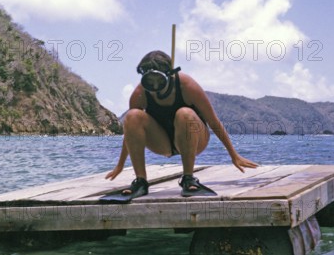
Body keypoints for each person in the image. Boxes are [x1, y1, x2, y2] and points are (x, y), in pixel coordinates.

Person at [105, 50, 258, 200]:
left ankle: (188, 178)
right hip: (162, 143)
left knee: (185, 113)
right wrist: (120, 165)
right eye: (149, 82)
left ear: (170, 74)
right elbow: (131, 134)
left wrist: (234, 155)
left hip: (195, 139)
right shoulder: (140, 93)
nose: (155, 86)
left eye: (159, 81)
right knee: (132, 116)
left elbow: (213, 121)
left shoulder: (187, 86)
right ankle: (140, 182)